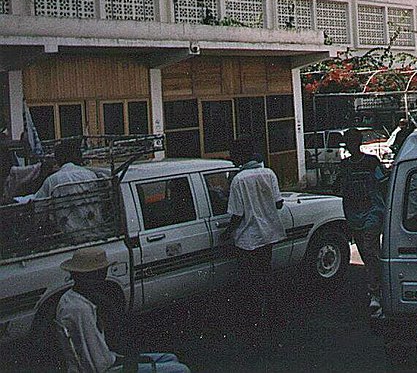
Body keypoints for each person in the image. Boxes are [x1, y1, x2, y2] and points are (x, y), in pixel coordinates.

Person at [56, 247, 189, 372]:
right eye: (100, 274)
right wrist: (127, 362)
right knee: (181, 370)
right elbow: (98, 365)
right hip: (106, 368)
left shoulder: (70, 297)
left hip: (108, 359)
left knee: (170, 358)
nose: (103, 278)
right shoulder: (80, 310)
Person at [220, 137, 284, 331]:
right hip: (268, 235)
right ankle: (272, 316)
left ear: (241, 155)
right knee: (265, 275)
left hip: (248, 239)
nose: (231, 157)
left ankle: (255, 319)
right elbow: (278, 203)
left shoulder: (238, 179)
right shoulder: (269, 173)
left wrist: (226, 233)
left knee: (250, 281)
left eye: (233, 153)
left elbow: (237, 215)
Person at [337, 128, 387, 318]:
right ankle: (378, 282)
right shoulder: (345, 166)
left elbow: (383, 183)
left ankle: (375, 292)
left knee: (369, 248)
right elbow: (339, 186)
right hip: (353, 214)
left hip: (372, 211)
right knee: (368, 254)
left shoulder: (371, 162)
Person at [34, 140, 103, 243]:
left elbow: (38, 208)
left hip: (67, 240)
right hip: (95, 234)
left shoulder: (52, 181)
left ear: (58, 159)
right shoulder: (91, 175)